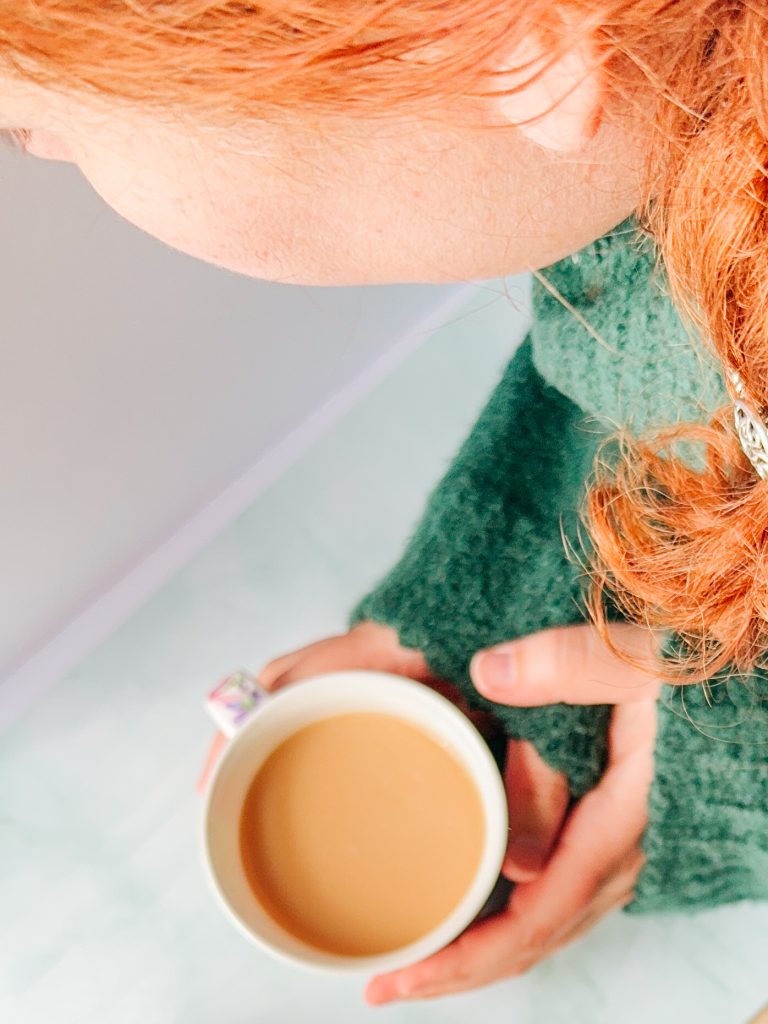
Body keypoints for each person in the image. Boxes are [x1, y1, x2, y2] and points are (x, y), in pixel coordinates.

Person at [5, 0, 767, 1005]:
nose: (38, 145)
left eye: (41, 121)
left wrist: (728, 746)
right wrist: (520, 561)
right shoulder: (682, 114)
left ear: (519, 47)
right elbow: (653, 352)